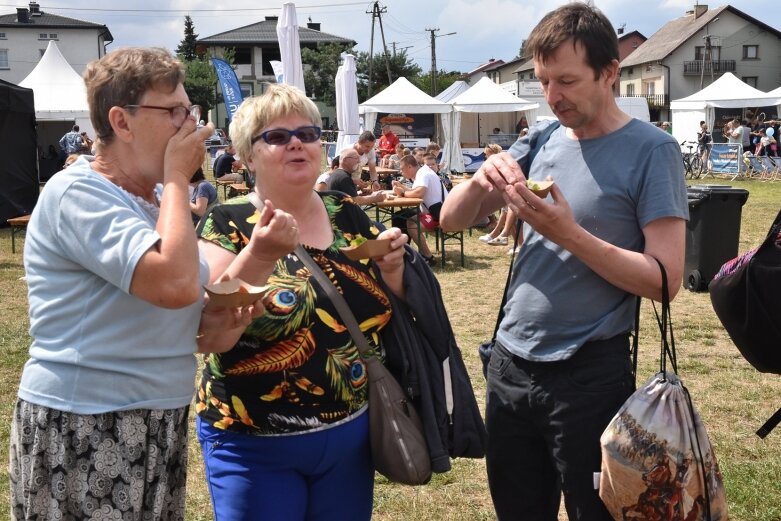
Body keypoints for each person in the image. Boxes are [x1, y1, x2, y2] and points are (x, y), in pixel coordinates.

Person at [439, 4, 688, 520]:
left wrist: (566, 233)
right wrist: (484, 176)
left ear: (611, 72)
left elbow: (665, 281)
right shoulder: (545, 138)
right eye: (544, 80)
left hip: (589, 372)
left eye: (568, 81)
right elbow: (449, 220)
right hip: (509, 364)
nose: (553, 97)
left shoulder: (653, 150)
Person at [10, 47, 219, 520]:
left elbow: (179, 301)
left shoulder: (161, 198)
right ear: (121, 122)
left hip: (157, 418)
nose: (189, 124)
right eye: (174, 111)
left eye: (190, 110)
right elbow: (174, 283)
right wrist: (180, 179)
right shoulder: (77, 192)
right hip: (86, 422)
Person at [194, 83, 408, 521]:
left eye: (308, 134)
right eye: (275, 136)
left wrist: (394, 270)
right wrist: (260, 254)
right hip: (254, 441)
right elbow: (210, 332)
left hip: (352, 436)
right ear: (248, 156)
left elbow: (389, 307)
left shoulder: (343, 209)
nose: (296, 142)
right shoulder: (227, 221)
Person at [391, 154, 447, 266]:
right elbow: (415, 191)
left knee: (412, 224)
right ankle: (403, 253)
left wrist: (402, 193)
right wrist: (401, 186)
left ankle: (428, 257)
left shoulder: (423, 174)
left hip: (440, 215)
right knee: (399, 216)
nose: (401, 172)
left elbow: (419, 193)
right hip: (434, 211)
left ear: (410, 167)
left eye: (402, 169)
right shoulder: (422, 172)